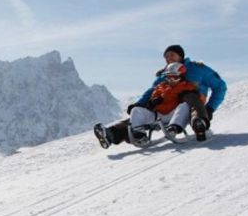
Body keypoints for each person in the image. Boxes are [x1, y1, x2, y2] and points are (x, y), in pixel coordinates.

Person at [94, 44, 227, 147]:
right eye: (166, 57)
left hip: (193, 105)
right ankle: (112, 134)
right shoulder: (165, 74)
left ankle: (199, 123)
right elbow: (152, 90)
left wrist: (210, 108)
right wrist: (140, 104)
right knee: (141, 112)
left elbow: (220, 87)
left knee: (188, 101)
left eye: (171, 55)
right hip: (167, 105)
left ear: (180, 55)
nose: (168, 59)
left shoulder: (198, 69)